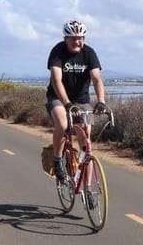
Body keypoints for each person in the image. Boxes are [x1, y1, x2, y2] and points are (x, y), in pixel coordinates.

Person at [46, 20, 108, 182]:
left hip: (81, 100)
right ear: (65, 38)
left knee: (86, 138)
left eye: (80, 37)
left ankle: (87, 186)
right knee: (62, 122)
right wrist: (67, 104)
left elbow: (96, 78)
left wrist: (101, 101)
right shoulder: (58, 51)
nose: (77, 41)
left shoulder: (89, 53)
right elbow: (56, 80)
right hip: (58, 98)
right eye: (73, 38)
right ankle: (58, 160)